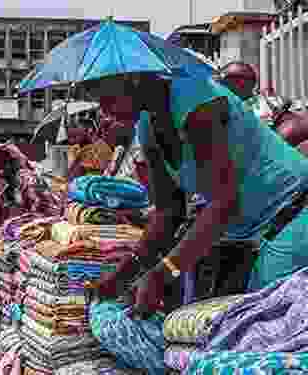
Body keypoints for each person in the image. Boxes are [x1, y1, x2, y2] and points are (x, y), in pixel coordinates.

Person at [87, 73, 308, 370]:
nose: (105, 110)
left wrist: (162, 274)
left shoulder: (197, 103)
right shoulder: (147, 128)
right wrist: (124, 273)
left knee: (268, 335)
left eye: (109, 98)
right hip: (254, 230)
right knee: (233, 329)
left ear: (134, 81)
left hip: (294, 210)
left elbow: (223, 204)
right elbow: (168, 212)